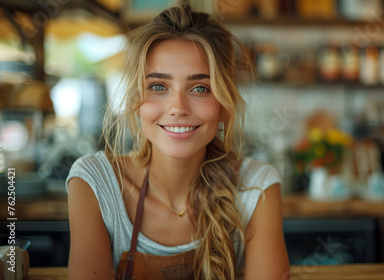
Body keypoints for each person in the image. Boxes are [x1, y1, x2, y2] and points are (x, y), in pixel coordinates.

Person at [65, 3, 289, 280]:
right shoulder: (95, 182)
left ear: (224, 103)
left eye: (200, 88)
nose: (178, 107)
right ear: (136, 100)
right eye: (158, 86)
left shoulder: (257, 186)